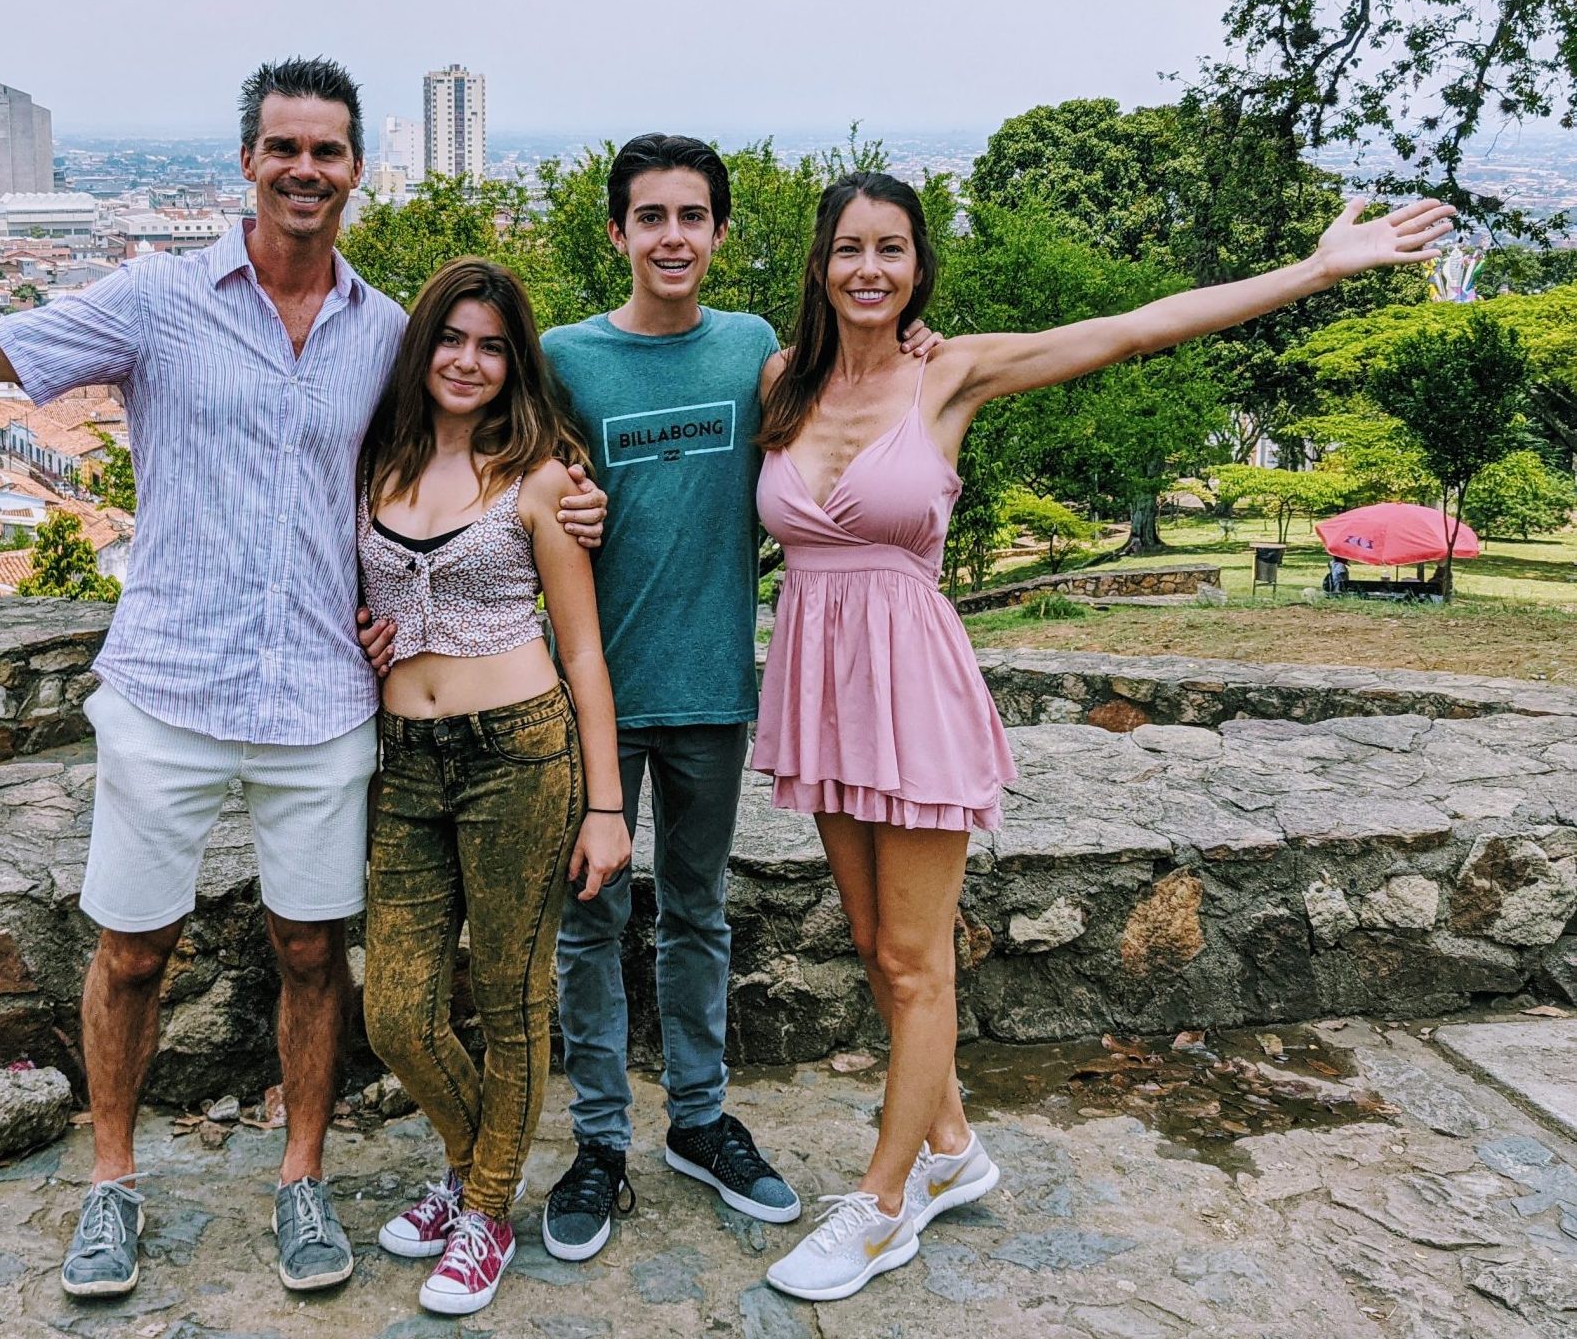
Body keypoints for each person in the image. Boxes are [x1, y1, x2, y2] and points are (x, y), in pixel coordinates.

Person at [0, 56, 607, 1304]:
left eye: (328, 149)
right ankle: (112, 1182)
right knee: (131, 950)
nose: (305, 169)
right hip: (169, 682)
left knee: (314, 953)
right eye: (284, 147)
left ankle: (302, 1174)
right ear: (249, 162)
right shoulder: (158, 298)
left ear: (359, 166)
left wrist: (569, 488)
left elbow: (467, 433)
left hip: (322, 696)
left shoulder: (388, 332)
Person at [753, 173, 1454, 1302]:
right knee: (876, 940)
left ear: (919, 265)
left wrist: (1318, 268)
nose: (869, 269)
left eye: (891, 248)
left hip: (914, 687)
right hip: (821, 689)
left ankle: (882, 1205)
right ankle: (953, 1147)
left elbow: (1135, 328)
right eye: (848, 249)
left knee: (911, 958)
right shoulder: (779, 379)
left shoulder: (954, 368)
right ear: (819, 265)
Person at [528, 136, 940, 1260]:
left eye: (693, 216)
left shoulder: (758, 350)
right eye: (650, 216)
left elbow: (859, 384)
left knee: (700, 915)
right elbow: (495, 475)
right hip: (592, 700)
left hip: (715, 687)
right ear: (615, 232)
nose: (672, 236)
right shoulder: (564, 357)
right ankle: (601, 1141)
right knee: (590, 924)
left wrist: (912, 338)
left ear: (719, 233)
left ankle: (699, 1120)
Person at [357, 257, 631, 1317]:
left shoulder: (543, 479)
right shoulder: (375, 463)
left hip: (521, 753)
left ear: (513, 363)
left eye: (491, 345)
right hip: (407, 762)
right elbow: (355, 600)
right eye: (451, 338)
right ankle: (479, 1170)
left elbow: (584, 651)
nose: (467, 361)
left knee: (512, 1003)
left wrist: (604, 804)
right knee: (397, 1010)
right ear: (421, 346)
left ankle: (482, 1210)